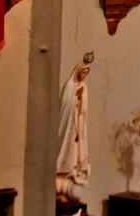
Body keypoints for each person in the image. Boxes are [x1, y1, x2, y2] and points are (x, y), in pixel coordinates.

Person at [56, 54, 93, 205]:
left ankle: (74, 170)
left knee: (78, 147)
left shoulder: (84, 87)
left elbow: (84, 108)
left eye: (86, 73)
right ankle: (64, 170)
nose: (84, 76)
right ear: (77, 71)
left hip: (79, 121)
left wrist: (81, 98)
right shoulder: (69, 85)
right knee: (67, 146)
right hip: (69, 122)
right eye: (83, 72)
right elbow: (64, 105)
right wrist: (74, 99)